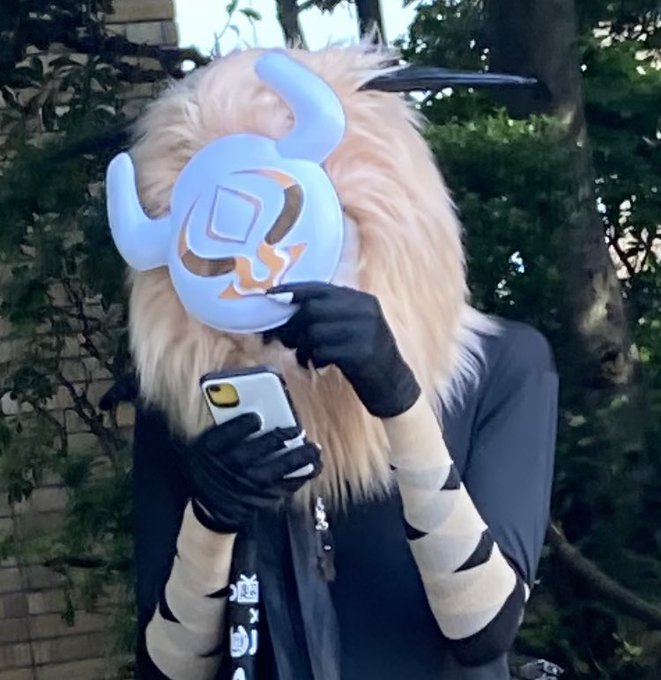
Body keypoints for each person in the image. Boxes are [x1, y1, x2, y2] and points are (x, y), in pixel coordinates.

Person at [101, 43, 558, 680]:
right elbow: (167, 670)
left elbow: (484, 631)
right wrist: (210, 519)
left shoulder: (504, 365)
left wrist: (398, 397)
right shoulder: (189, 401)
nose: (264, 266)